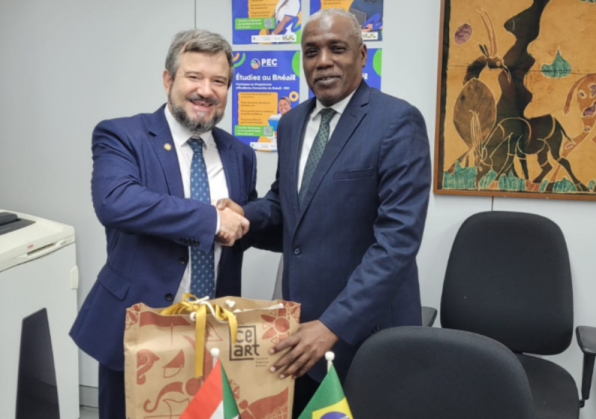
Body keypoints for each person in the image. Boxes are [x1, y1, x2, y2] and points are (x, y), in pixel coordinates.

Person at [219, 8, 431, 416]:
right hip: (299, 331)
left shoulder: (396, 122)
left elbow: (397, 242)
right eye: (312, 51)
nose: (323, 61)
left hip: (366, 334)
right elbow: (287, 206)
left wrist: (334, 324)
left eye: (337, 48)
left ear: (362, 55)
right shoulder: (291, 124)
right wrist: (243, 215)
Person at [70, 29, 257, 419]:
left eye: (219, 81)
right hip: (140, 330)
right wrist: (211, 219)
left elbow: (243, 222)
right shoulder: (123, 135)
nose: (206, 90)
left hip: (214, 332)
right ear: (168, 79)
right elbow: (115, 201)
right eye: (194, 76)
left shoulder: (240, 154)